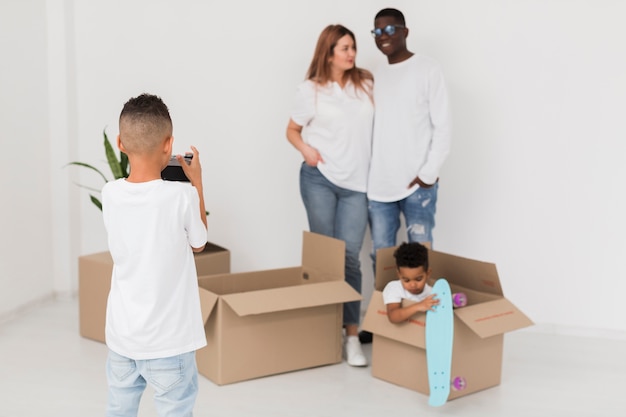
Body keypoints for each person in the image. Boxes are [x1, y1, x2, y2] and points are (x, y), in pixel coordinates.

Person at [101, 93, 208, 417]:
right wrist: (197, 181)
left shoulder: (110, 193)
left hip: (123, 338)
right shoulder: (182, 195)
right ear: (168, 144)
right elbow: (199, 242)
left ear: (119, 143)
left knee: (119, 409)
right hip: (169, 342)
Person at [360, 8, 452, 343]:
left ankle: (425, 321)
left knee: (420, 255)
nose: (383, 35)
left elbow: (443, 125)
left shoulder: (428, 69)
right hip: (379, 185)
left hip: (418, 185)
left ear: (405, 31)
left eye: (390, 29)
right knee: (382, 258)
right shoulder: (374, 76)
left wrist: (428, 173)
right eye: (377, 31)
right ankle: (382, 319)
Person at [286, 24, 374, 367]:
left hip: (357, 185)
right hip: (319, 179)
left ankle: (352, 335)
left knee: (349, 257)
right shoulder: (311, 89)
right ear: (328, 52)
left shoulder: (366, 83)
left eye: (353, 46)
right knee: (327, 258)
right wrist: (306, 149)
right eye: (344, 48)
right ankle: (325, 331)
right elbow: (291, 130)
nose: (351, 53)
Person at [383, 242, 439, 323]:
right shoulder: (394, 288)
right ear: (399, 275)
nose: (413, 285)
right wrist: (419, 306)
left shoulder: (432, 293)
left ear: (428, 273)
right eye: (406, 280)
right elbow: (393, 317)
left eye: (418, 279)